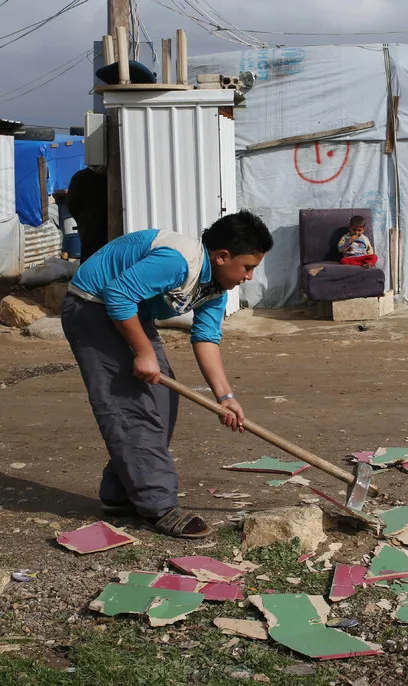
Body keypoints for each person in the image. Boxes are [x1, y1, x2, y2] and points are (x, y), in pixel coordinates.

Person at [60, 211, 273, 539]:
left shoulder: (214, 287)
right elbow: (117, 294)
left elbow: (205, 338)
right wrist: (144, 353)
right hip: (92, 306)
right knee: (132, 408)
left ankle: (120, 492)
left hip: (130, 313)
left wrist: (226, 398)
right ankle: (157, 505)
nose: (249, 277)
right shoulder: (178, 261)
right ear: (222, 256)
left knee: (161, 399)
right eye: (248, 267)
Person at [65, 166, 108, 262]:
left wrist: (81, 219)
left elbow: (71, 204)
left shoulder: (81, 177)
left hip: (88, 226)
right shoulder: (113, 178)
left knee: (89, 257)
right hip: (96, 227)